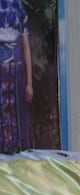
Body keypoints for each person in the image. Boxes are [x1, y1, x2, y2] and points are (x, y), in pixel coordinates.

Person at [0, 0, 33, 154]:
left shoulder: (18, 6)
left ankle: (18, 156)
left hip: (15, 70)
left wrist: (29, 83)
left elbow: (26, 46)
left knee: (18, 117)